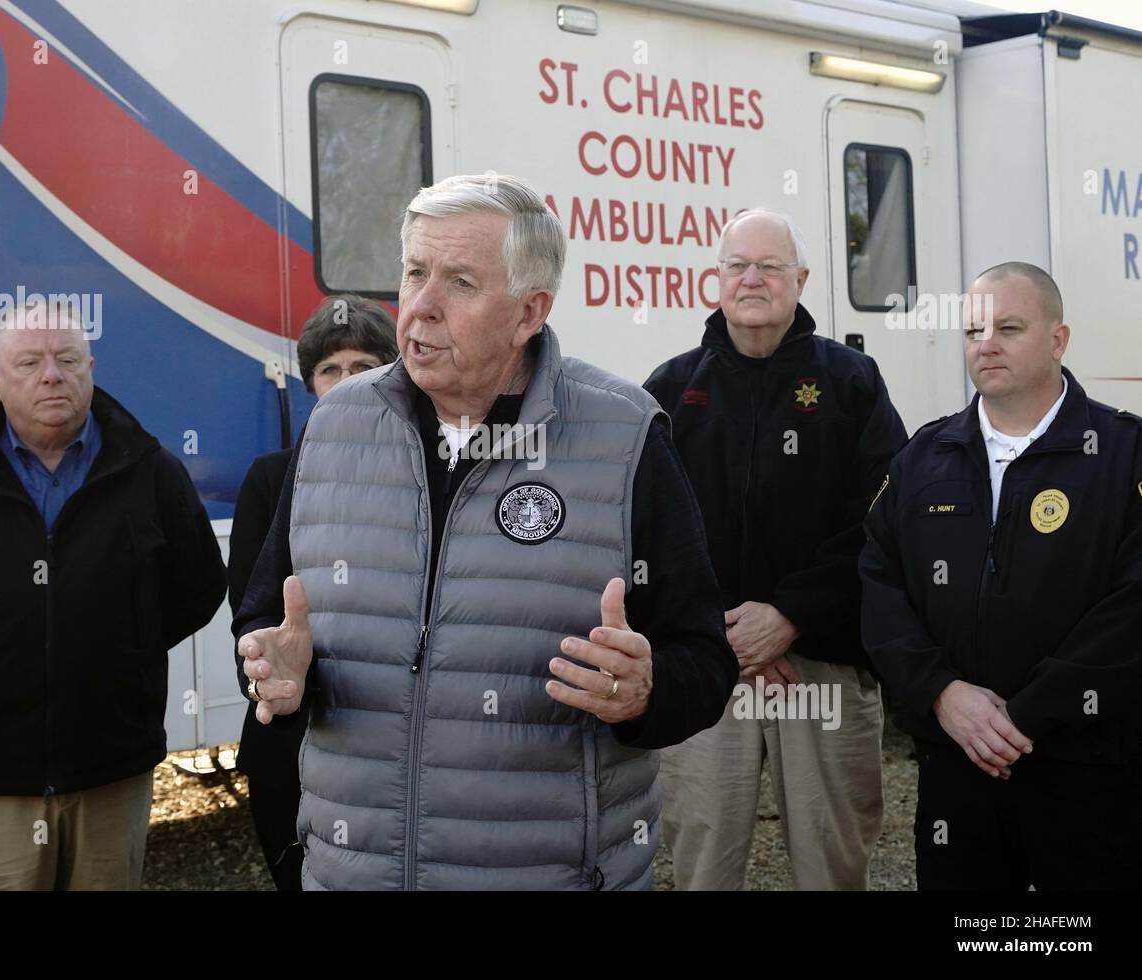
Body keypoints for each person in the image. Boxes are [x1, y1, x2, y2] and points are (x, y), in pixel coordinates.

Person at [233, 173, 738, 890]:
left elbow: (706, 661)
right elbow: (265, 621)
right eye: (415, 273)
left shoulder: (624, 437)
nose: (422, 307)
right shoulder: (333, 428)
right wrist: (275, 675)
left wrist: (646, 692)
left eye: (461, 282)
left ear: (530, 312)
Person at [0, 303, 227, 890]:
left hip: (111, 773)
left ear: (91, 368)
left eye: (67, 359)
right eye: (29, 362)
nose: (51, 375)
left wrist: (123, 650)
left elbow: (199, 586)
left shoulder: (154, 477)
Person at [645, 209, 907, 890]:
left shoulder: (853, 383)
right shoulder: (670, 392)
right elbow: (650, 535)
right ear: (717, 278)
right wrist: (728, 631)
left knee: (832, 857)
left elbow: (885, 520)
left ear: (802, 278)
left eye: (769, 265)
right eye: (737, 265)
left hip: (821, 663)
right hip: (711, 664)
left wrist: (789, 616)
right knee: (704, 858)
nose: (752, 279)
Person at [861, 262, 1142, 890]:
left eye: (1008, 328)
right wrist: (941, 693)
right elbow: (880, 587)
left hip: (1087, 766)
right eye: (972, 331)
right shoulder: (924, 457)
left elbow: (1131, 609)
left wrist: (1030, 714)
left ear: (1058, 339)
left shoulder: (1123, 454)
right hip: (957, 764)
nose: (985, 344)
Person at [228, 294, 398, 890]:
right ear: (310, 383)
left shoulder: (420, 475)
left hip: (388, 748)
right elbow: (250, 620)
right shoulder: (270, 479)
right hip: (289, 746)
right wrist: (271, 665)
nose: (345, 380)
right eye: (330, 369)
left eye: (362, 366)